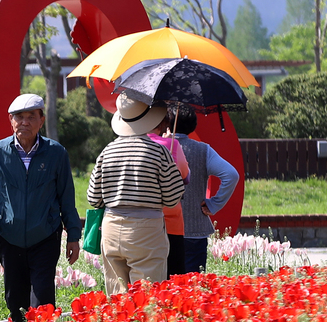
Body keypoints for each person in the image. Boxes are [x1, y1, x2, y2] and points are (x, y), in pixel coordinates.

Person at [0, 93, 82, 322]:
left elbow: (66, 196)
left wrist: (73, 235)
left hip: (45, 236)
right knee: (15, 300)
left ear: (41, 120)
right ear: (11, 121)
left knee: (43, 299)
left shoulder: (56, 153)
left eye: (31, 117)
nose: (25, 122)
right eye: (19, 117)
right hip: (9, 237)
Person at [86, 94, 186, 294]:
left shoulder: (107, 151)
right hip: (147, 232)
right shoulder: (158, 152)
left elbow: (93, 198)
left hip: (112, 228)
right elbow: (172, 197)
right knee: (146, 298)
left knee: (117, 299)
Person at [169, 108, 241, 274]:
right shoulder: (203, 150)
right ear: (193, 126)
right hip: (195, 229)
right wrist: (214, 203)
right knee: (193, 287)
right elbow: (231, 175)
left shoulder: (161, 148)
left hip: (164, 229)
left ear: (167, 123)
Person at [145, 120, 190, 276]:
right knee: (174, 278)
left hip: (144, 223)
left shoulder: (132, 145)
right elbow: (185, 175)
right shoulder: (171, 145)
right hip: (171, 222)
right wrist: (170, 142)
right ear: (161, 123)